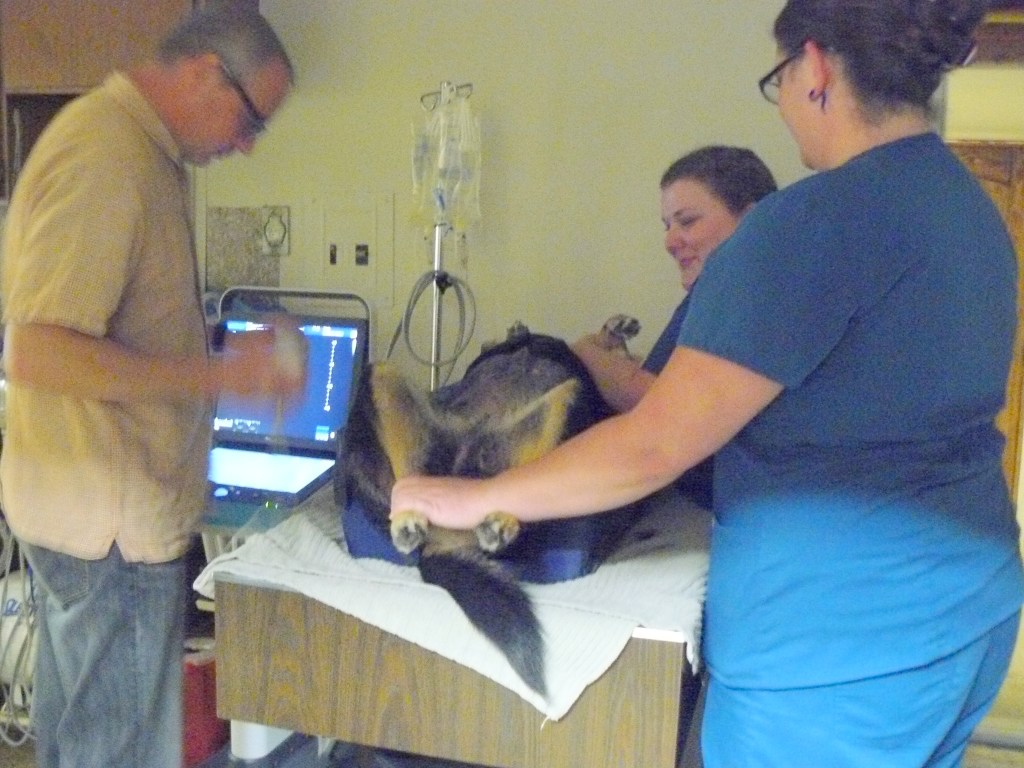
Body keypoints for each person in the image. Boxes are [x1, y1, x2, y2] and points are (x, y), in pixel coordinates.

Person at [392, 1, 1024, 766]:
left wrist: (462, 497)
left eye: (779, 78)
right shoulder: (970, 209)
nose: (785, 103)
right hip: (972, 613)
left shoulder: (808, 224)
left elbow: (654, 443)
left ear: (815, 67)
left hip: (835, 656)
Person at [0, 7, 298, 768]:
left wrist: (220, 355)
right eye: (251, 118)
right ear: (205, 72)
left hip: (103, 523)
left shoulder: (138, 152)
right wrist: (219, 376)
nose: (246, 143)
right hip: (111, 534)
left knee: (88, 745)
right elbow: (39, 351)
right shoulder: (106, 154)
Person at [571, 146, 777, 506]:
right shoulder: (717, 290)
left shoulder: (743, 290)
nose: (669, 241)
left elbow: (647, 402)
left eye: (687, 221)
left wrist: (584, 352)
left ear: (751, 218)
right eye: (667, 226)